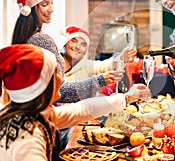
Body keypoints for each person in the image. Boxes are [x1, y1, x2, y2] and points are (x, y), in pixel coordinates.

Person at [0, 44, 151, 161]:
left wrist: (127, 98)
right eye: (55, 73)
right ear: (41, 87)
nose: (61, 78)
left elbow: (82, 110)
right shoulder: (27, 135)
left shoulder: (30, 115)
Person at [10, 0, 135, 103]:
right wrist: (101, 81)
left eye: (52, 3)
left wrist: (120, 58)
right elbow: (60, 92)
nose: (51, 9)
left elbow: (101, 66)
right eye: (45, 4)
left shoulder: (24, 37)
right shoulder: (41, 40)